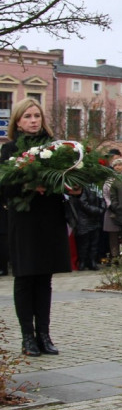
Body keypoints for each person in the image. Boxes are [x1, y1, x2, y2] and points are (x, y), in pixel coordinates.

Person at [1, 99, 72, 356]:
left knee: (44, 278)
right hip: (24, 220)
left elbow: (70, 177)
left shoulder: (55, 148)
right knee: (25, 277)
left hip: (50, 218)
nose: (33, 120)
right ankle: (27, 338)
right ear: (18, 121)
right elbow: (5, 188)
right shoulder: (9, 150)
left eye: (37, 116)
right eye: (28, 116)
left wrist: (72, 186)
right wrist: (29, 185)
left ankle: (44, 334)